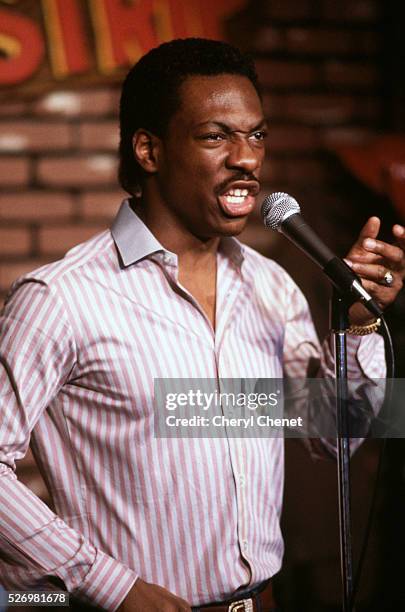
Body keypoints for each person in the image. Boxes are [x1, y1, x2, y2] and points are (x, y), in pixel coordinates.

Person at [0, 38, 404, 612]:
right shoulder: (60, 299)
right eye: (217, 136)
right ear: (149, 150)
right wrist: (112, 587)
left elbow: (334, 437)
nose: (248, 158)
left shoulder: (270, 285)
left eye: (257, 135)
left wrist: (361, 326)